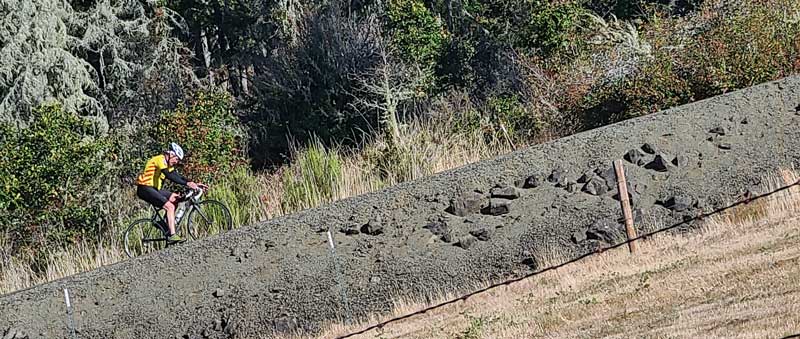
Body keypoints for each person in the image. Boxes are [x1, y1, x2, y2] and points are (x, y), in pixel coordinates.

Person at [135, 142, 207, 244]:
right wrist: (187, 183)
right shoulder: (160, 160)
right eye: (176, 159)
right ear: (171, 155)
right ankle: (172, 236)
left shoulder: (167, 164)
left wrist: (192, 183)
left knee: (175, 198)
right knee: (170, 207)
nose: (177, 162)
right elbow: (169, 176)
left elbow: (176, 175)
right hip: (144, 188)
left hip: (154, 188)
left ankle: (165, 224)